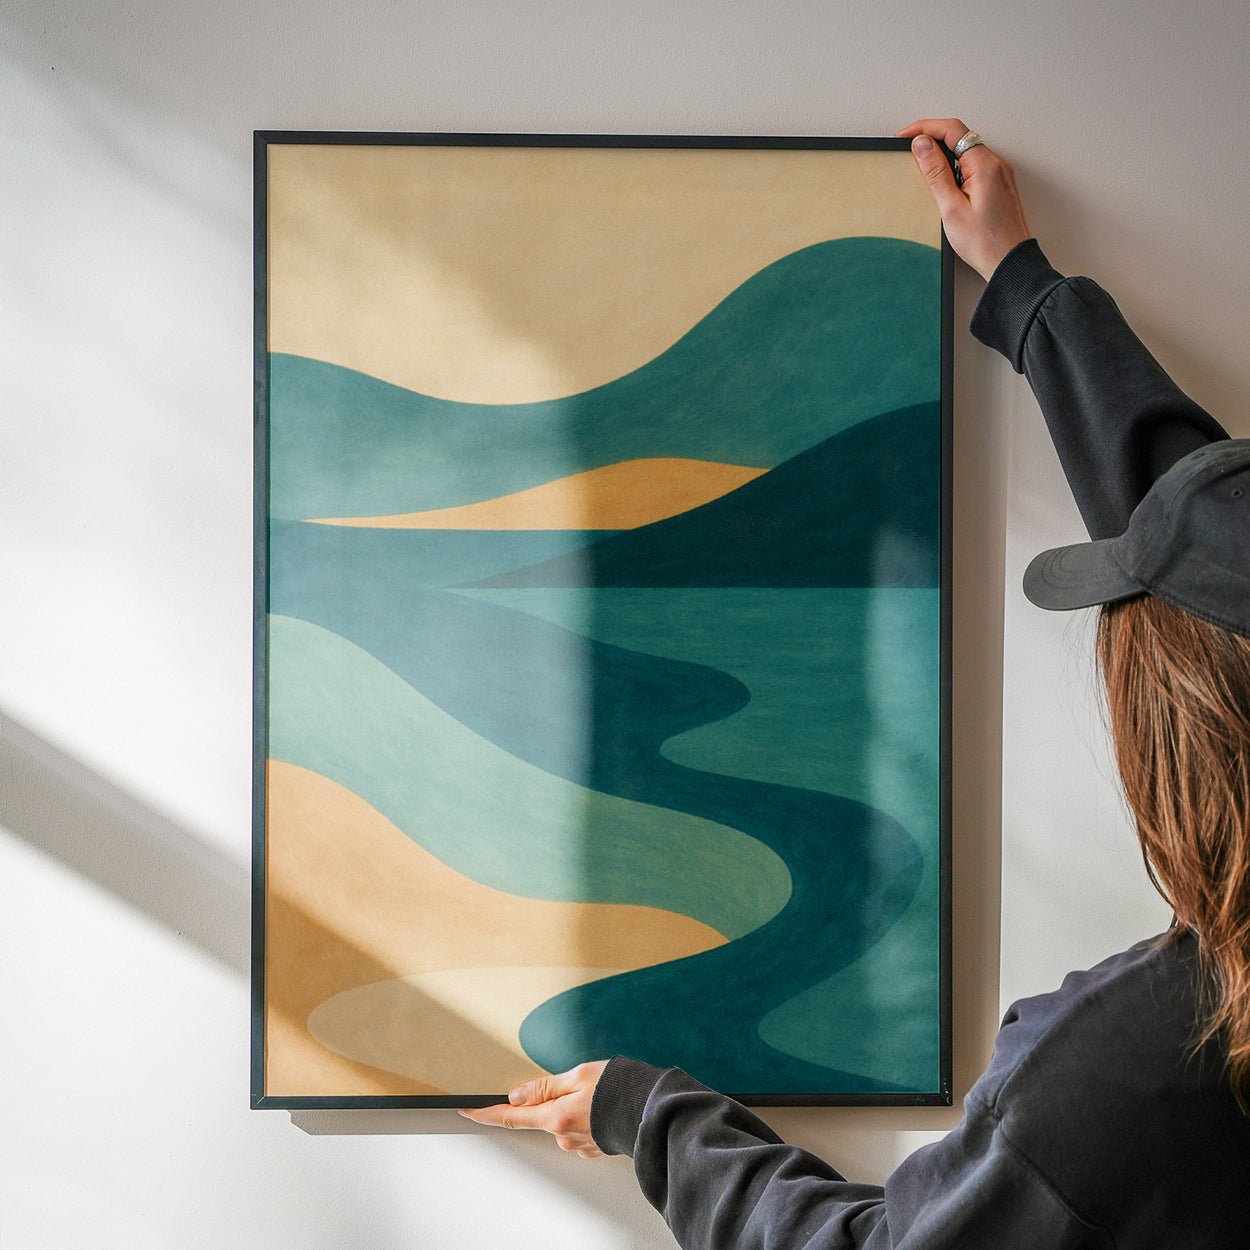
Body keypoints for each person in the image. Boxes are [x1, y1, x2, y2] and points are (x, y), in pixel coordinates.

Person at [459, 117, 1250, 1247]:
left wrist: (647, 1113)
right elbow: (1208, 545)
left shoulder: (1132, 1074)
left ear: (1176, 727)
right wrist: (1026, 292)